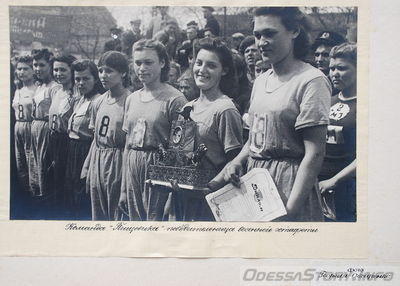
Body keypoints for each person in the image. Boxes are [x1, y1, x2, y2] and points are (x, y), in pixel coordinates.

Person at [220, 7, 332, 222]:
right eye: (257, 35)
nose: (261, 42)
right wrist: (237, 161)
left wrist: (290, 210)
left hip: (290, 184)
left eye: (270, 33)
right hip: (256, 183)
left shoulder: (311, 80)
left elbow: (315, 154)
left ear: (294, 31)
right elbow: (257, 137)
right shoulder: (261, 80)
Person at [172, 38, 243, 221]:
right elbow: (179, 156)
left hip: (212, 200)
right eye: (199, 63)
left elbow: (234, 163)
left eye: (211, 66)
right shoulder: (187, 107)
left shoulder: (225, 109)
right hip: (182, 198)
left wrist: (210, 188)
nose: (202, 70)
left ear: (224, 71)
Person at [118, 39, 187, 221]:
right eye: (138, 62)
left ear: (162, 63)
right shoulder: (132, 98)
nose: (141, 68)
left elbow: (181, 151)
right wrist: (124, 188)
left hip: (159, 168)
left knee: (156, 227)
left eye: (148, 62)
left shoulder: (175, 99)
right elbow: (127, 145)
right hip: (134, 165)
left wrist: (171, 193)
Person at [82, 51, 130, 221]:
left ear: (123, 73)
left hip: (118, 160)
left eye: (109, 71)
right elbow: (95, 139)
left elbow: (129, 144)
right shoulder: (98, 102)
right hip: (98, 159)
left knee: (117, 212)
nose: (103, 75)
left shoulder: (130, 101)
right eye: (101, 71)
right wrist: (87, 167)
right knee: (98, 212)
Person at [319, 43, 357, 222]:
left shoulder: (366, 105)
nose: (334, 73)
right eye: (332, 68)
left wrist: (334, 180)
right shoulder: (327, 101)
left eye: (341, 68)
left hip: (348, 187)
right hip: (319, 185)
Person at [65, 60, 105, 219]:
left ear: (95, 79)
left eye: (86, 79)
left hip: (86, 150)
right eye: (77, 79)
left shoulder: (98, 101)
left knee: (83, 192)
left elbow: (96, 135)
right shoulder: (80, 99)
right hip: (72, 149)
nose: (81, 83)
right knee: (71, 190)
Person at [48, 54, 77, 211]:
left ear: (71, 71)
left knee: (64, 180)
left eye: (63, 70)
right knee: (53, 177)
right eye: (56, 70)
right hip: (53, 138)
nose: (58, 73)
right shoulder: (57, 91)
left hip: (66, 141)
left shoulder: (75, 95)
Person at [30, 49, 61, 198]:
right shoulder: (40, 86)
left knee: (45, 165)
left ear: (50, 65)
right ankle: (36, 195)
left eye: (42, 65)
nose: (37, 69)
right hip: (35, 128)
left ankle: (46, 197)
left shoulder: (54, 87)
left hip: (46, 129)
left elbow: (56, 113)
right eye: (35, 65)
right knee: (34, 164)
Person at [12, 55, 37, 194]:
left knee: (31, 160)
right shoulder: (18, 90)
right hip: (18, 127)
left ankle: (34, 193)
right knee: (20, 162)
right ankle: (25, 193)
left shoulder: (37, 89)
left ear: (33, 70)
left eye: (25, 69)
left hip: (30, 126)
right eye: (19, 69)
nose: (21, 72)